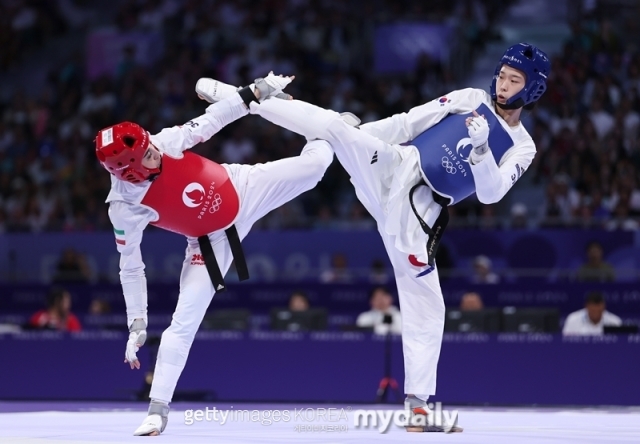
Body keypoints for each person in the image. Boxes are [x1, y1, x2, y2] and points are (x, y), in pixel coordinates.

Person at [197, 42, 550, 433]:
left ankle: (417, 408)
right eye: (501, 75)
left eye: (513, 80)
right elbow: (408, 123)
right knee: (334, 127)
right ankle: (238, 97)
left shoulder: (523, 146)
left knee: (429, 306)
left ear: (531, 89)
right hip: (394, 166)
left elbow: (491, 194)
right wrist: (359, 134)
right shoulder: (470, 98)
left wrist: (483, 149)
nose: (502, 85)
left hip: (419, 214)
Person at [96, 73, 334, 436]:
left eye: (149, 143)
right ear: (128, 171)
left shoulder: (165, 142)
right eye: (146, 153)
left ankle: (329, 134)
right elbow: (131, 268)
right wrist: (138, 323)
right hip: (210, 242)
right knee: (183, 322)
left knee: (316, 167)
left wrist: (257, 90)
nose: (155, 150)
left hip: (243, 186)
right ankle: (157, 409)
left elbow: (211, 121)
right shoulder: (124, 208)